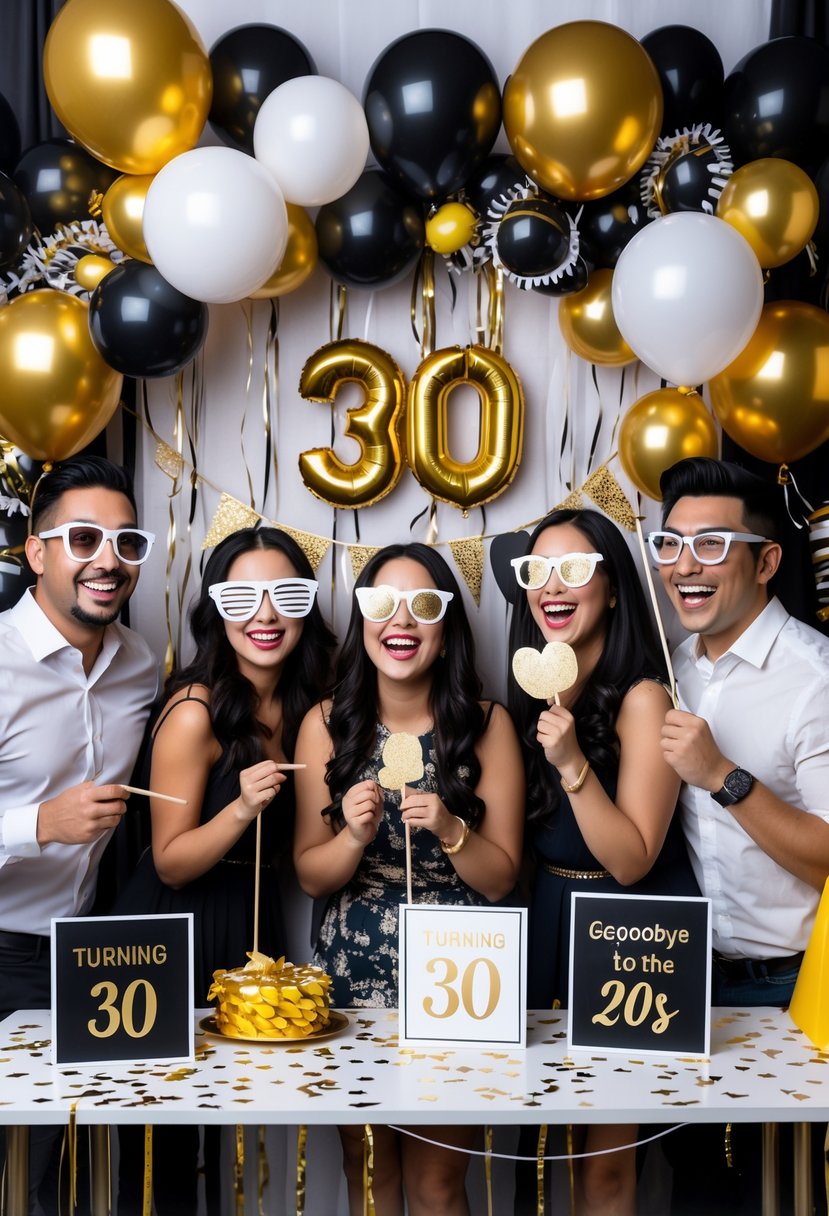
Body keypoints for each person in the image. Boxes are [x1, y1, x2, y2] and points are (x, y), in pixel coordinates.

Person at [293, 542, 524, 1216]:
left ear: (447, 628)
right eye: (380, 603)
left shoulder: (486, 725)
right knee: (367, 1172)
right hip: (350, 975)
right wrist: (352, 836)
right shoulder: (325, 724)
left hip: (458, 979)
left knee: (436, 1183)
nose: (401, 620)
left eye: (422, 605)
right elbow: (311, 874)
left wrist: (453, 832)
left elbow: (501, 878)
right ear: (362, 622)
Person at [113, 525, 336, 1215]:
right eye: (242, 597)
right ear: (215, 608)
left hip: (249, 912)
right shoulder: (193, 710)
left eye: (285, 595)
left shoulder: (307, 703)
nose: (264, 615)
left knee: (230, 1128)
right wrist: (240, 808)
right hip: (168, 926)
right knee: (163, 1143)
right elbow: (171, 862)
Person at [507, 508, 698, 1216]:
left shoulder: (644, 698)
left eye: (575, 569)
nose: (552, 586)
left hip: (627, 931)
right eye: (537, 571)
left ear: (612, 590)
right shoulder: (535, 690)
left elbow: (632, 859)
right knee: (537, 1151)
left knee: (605, 1167)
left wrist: (571, 765)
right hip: (550, 918)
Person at [651, 457, 829, 1215]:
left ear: (767, 561)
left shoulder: (813, 678)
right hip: (682, 980)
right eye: (669, 544)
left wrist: (721, 774)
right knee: (693, 1192)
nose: (685, 566)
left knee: (788, 1192)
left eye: (713, 545)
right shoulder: (671, 668)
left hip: (793, 987)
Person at [0, 454, 160, 1212]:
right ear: (37, 551)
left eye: (128, 543)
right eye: (84, 538)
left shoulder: (139, 666)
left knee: (50, 1179)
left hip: (77, 957)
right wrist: (40, 824)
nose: (109, 560)